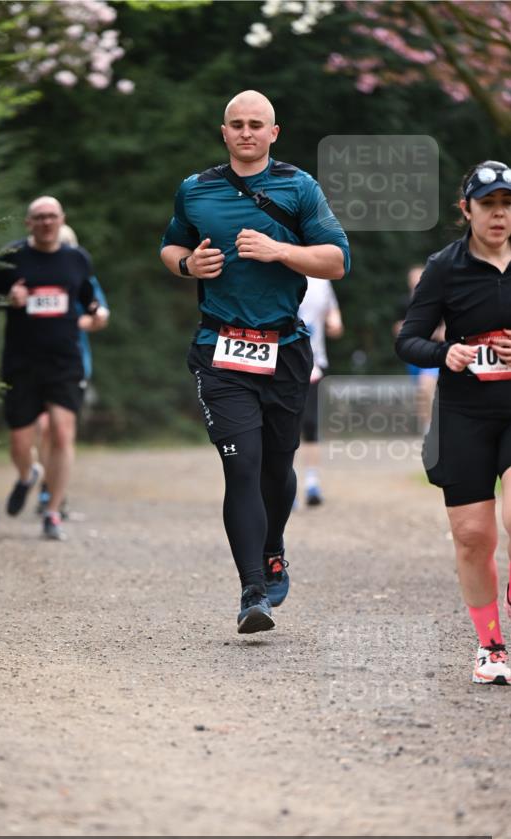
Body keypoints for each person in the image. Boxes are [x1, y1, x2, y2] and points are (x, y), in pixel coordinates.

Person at [160, 90, 350, 633]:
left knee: (276, 467)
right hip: (219, 351)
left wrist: (281, 251)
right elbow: (170, 248)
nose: (246, 132)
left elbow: (337, 260)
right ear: (224, 132)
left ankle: (273, 548)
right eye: (236, 124)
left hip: (284, 350)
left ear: (274, 132)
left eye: (256, 124)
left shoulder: (299, 188)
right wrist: (188, 265)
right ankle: (252, 591)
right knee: (240, 464)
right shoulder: (196, 191)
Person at [396, 160, 511, 685]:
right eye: (489, 205)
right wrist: (447, 352)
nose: (499, 215)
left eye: (508, 205)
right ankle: (491, 646)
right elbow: (409, 338)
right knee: (471, 535)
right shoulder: (444, 267)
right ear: (467, 210)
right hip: (464, 412)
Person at [0, 196, 101, 541]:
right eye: (40, 217)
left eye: (52, 216)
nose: (47, 222)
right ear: (29, 223)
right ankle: (27, 475)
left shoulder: (76, 258)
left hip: (65, 361)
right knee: (21, 441)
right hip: (22, 362)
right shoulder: (11, 257)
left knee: (63, 433)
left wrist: (94, 310)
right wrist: (9, 300)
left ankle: (52, 512)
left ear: (61, 219)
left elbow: (86, 294)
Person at [33, 224, 110, 517]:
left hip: (72, 361)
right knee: (42, 428)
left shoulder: (82, 277)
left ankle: (55, 494)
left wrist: (76, 322)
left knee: (60, 430)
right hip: (34, 361)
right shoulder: (33, 274)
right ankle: (45, 484)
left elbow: (100, 316)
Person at [296, 276, 343, 506]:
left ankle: (312, 483)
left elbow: (332, 312)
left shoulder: (321, 279)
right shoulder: (277, 269)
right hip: (278, 363)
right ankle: (285, 484)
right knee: (283, 425)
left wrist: (334, 322)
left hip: (313, 363)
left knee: (311, 424)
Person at [393, 265, 445, 434]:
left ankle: (433, 428)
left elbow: (446, 330)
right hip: (413, 353)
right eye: (413, 279)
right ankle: (427, 425)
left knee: (426, 386)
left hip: (432, 351)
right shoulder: (403, 303)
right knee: (422, 393)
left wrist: (435, 332)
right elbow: (397, 328)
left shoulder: (438, 302)